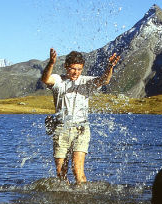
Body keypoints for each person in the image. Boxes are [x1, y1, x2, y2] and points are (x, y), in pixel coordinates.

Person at [41, 48, 120, 184]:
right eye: (73, 69)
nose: (76, 72)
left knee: (78, 170)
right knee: (61, 173)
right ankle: (63, 203)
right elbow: (45, 79)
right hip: (61, 128)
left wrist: (110, 66)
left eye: (79, 69)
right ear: (66, 66)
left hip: (81, 129)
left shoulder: (86, 82)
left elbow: (104, 80)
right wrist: (51, 63)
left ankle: (80, 203)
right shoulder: (58, 80)